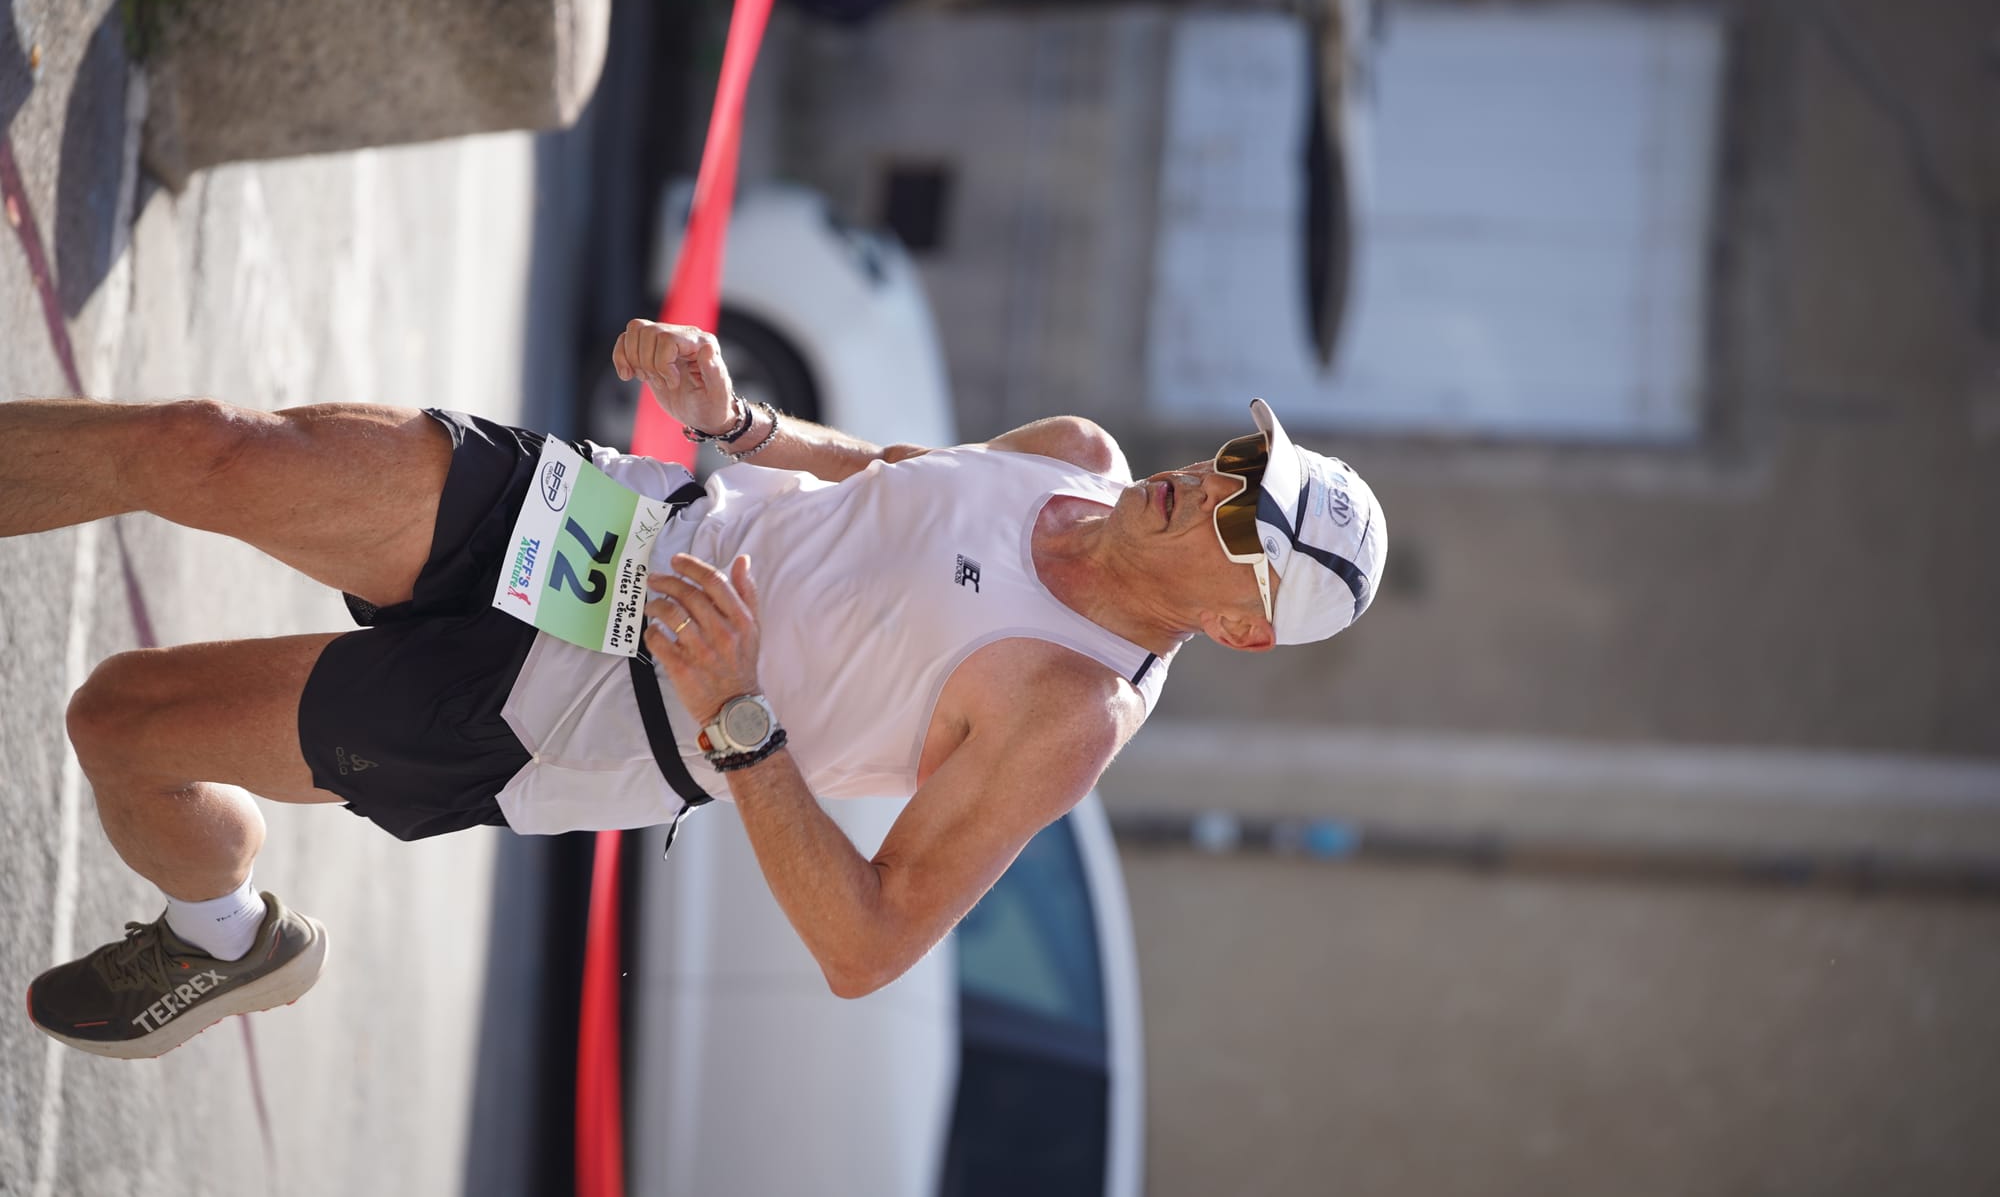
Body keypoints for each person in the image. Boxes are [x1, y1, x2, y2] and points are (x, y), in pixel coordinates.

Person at [9, 319, 1386, 1059]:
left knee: (125, 720)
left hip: (588, 717)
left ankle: (222, 929)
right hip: (612, 522)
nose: (1205, 484)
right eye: (1234, 463)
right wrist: (737, 420)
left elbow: (867, 946)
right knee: (209, 446)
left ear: (1242, 627)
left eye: (1239, 520)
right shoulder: (1073, 451)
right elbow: (894, 470)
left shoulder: (1072, 713)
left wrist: (738, 712)